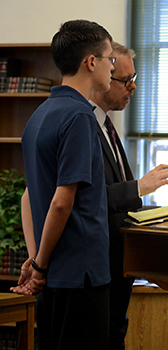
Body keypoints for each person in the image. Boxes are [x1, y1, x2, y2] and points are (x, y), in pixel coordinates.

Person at [13, 19, 115, 349]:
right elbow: (61, 201)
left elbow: (29, 197)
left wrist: (36, 260)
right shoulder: (80, 116)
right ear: (91, 62)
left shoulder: (39, 115)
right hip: (80, 275)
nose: (112, 67)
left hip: (52, 275)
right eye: (110, 58)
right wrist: (40, 265)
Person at [89, 42, 168, 350]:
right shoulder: (83, 124)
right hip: (94, 267)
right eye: (126, 80)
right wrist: (139, 187)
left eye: (135, 77)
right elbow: (87, 198)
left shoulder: (109, 126)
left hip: (119, 263)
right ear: (103, 76)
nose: (134, 86)